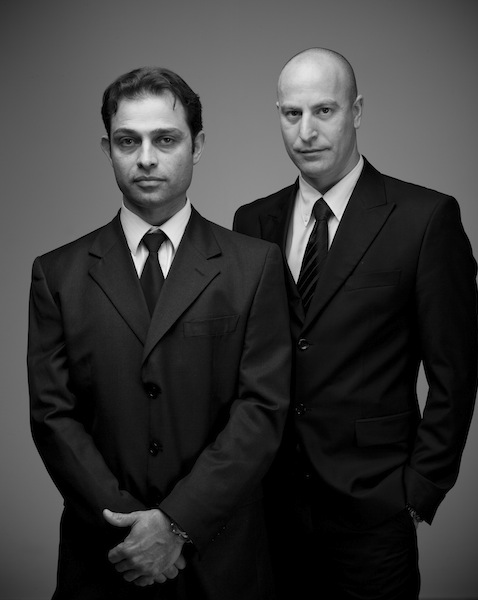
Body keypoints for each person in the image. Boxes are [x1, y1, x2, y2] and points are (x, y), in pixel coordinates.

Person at [28, 66, 291, 600]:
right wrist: (132, 531)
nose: (145, 158)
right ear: (108, 149)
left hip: (222, 559)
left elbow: (262, 410)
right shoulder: (56, 274)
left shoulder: (254, 265)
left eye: (165, 139)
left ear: (197, 146)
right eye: (128, 141)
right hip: (105, 558)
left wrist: (175, 524)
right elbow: (53, 417)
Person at [233, 48, 478, 600]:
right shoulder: (251, 221)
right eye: (292, 114)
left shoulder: (425, 218)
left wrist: (419, 491)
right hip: (269, 511)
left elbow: (455, 374)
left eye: (324, 110)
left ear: (357, 111)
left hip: (374, 512)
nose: (306, 131)